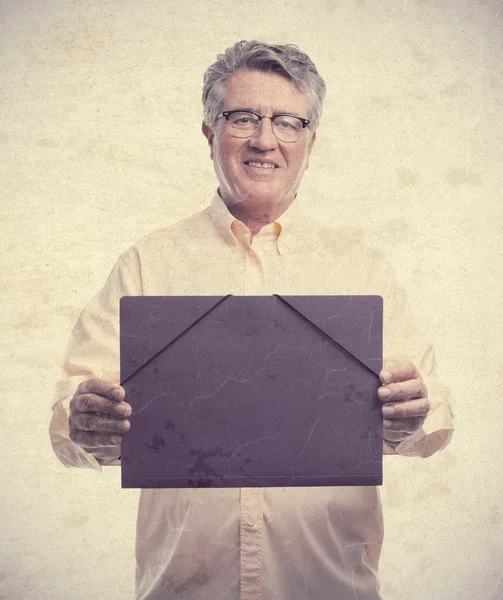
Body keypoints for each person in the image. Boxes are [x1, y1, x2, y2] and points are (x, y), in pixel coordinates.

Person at [50, 40, 454, 600]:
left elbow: (432, 419)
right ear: (209, 133)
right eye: (243, 118)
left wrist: (413, 416)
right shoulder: (148, 263)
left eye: (289, 122)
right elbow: (73, 420)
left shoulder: (362, 267)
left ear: (310, 142)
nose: (265, 140)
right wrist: (83, 420)